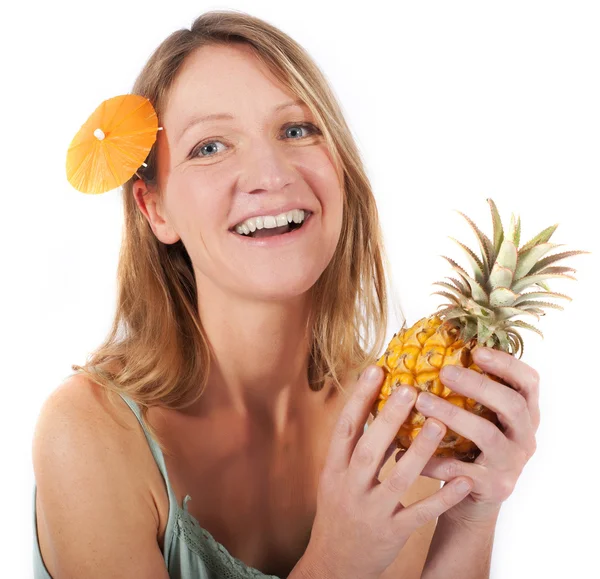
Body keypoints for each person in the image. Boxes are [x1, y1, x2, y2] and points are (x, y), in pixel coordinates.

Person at [32, 10, 541, 579]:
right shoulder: (87, 434)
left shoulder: (399, 423)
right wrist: (339, 560)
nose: (270, 173)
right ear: (154, 207)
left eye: (297, 130)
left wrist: (474, 512)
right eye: (211, 146)